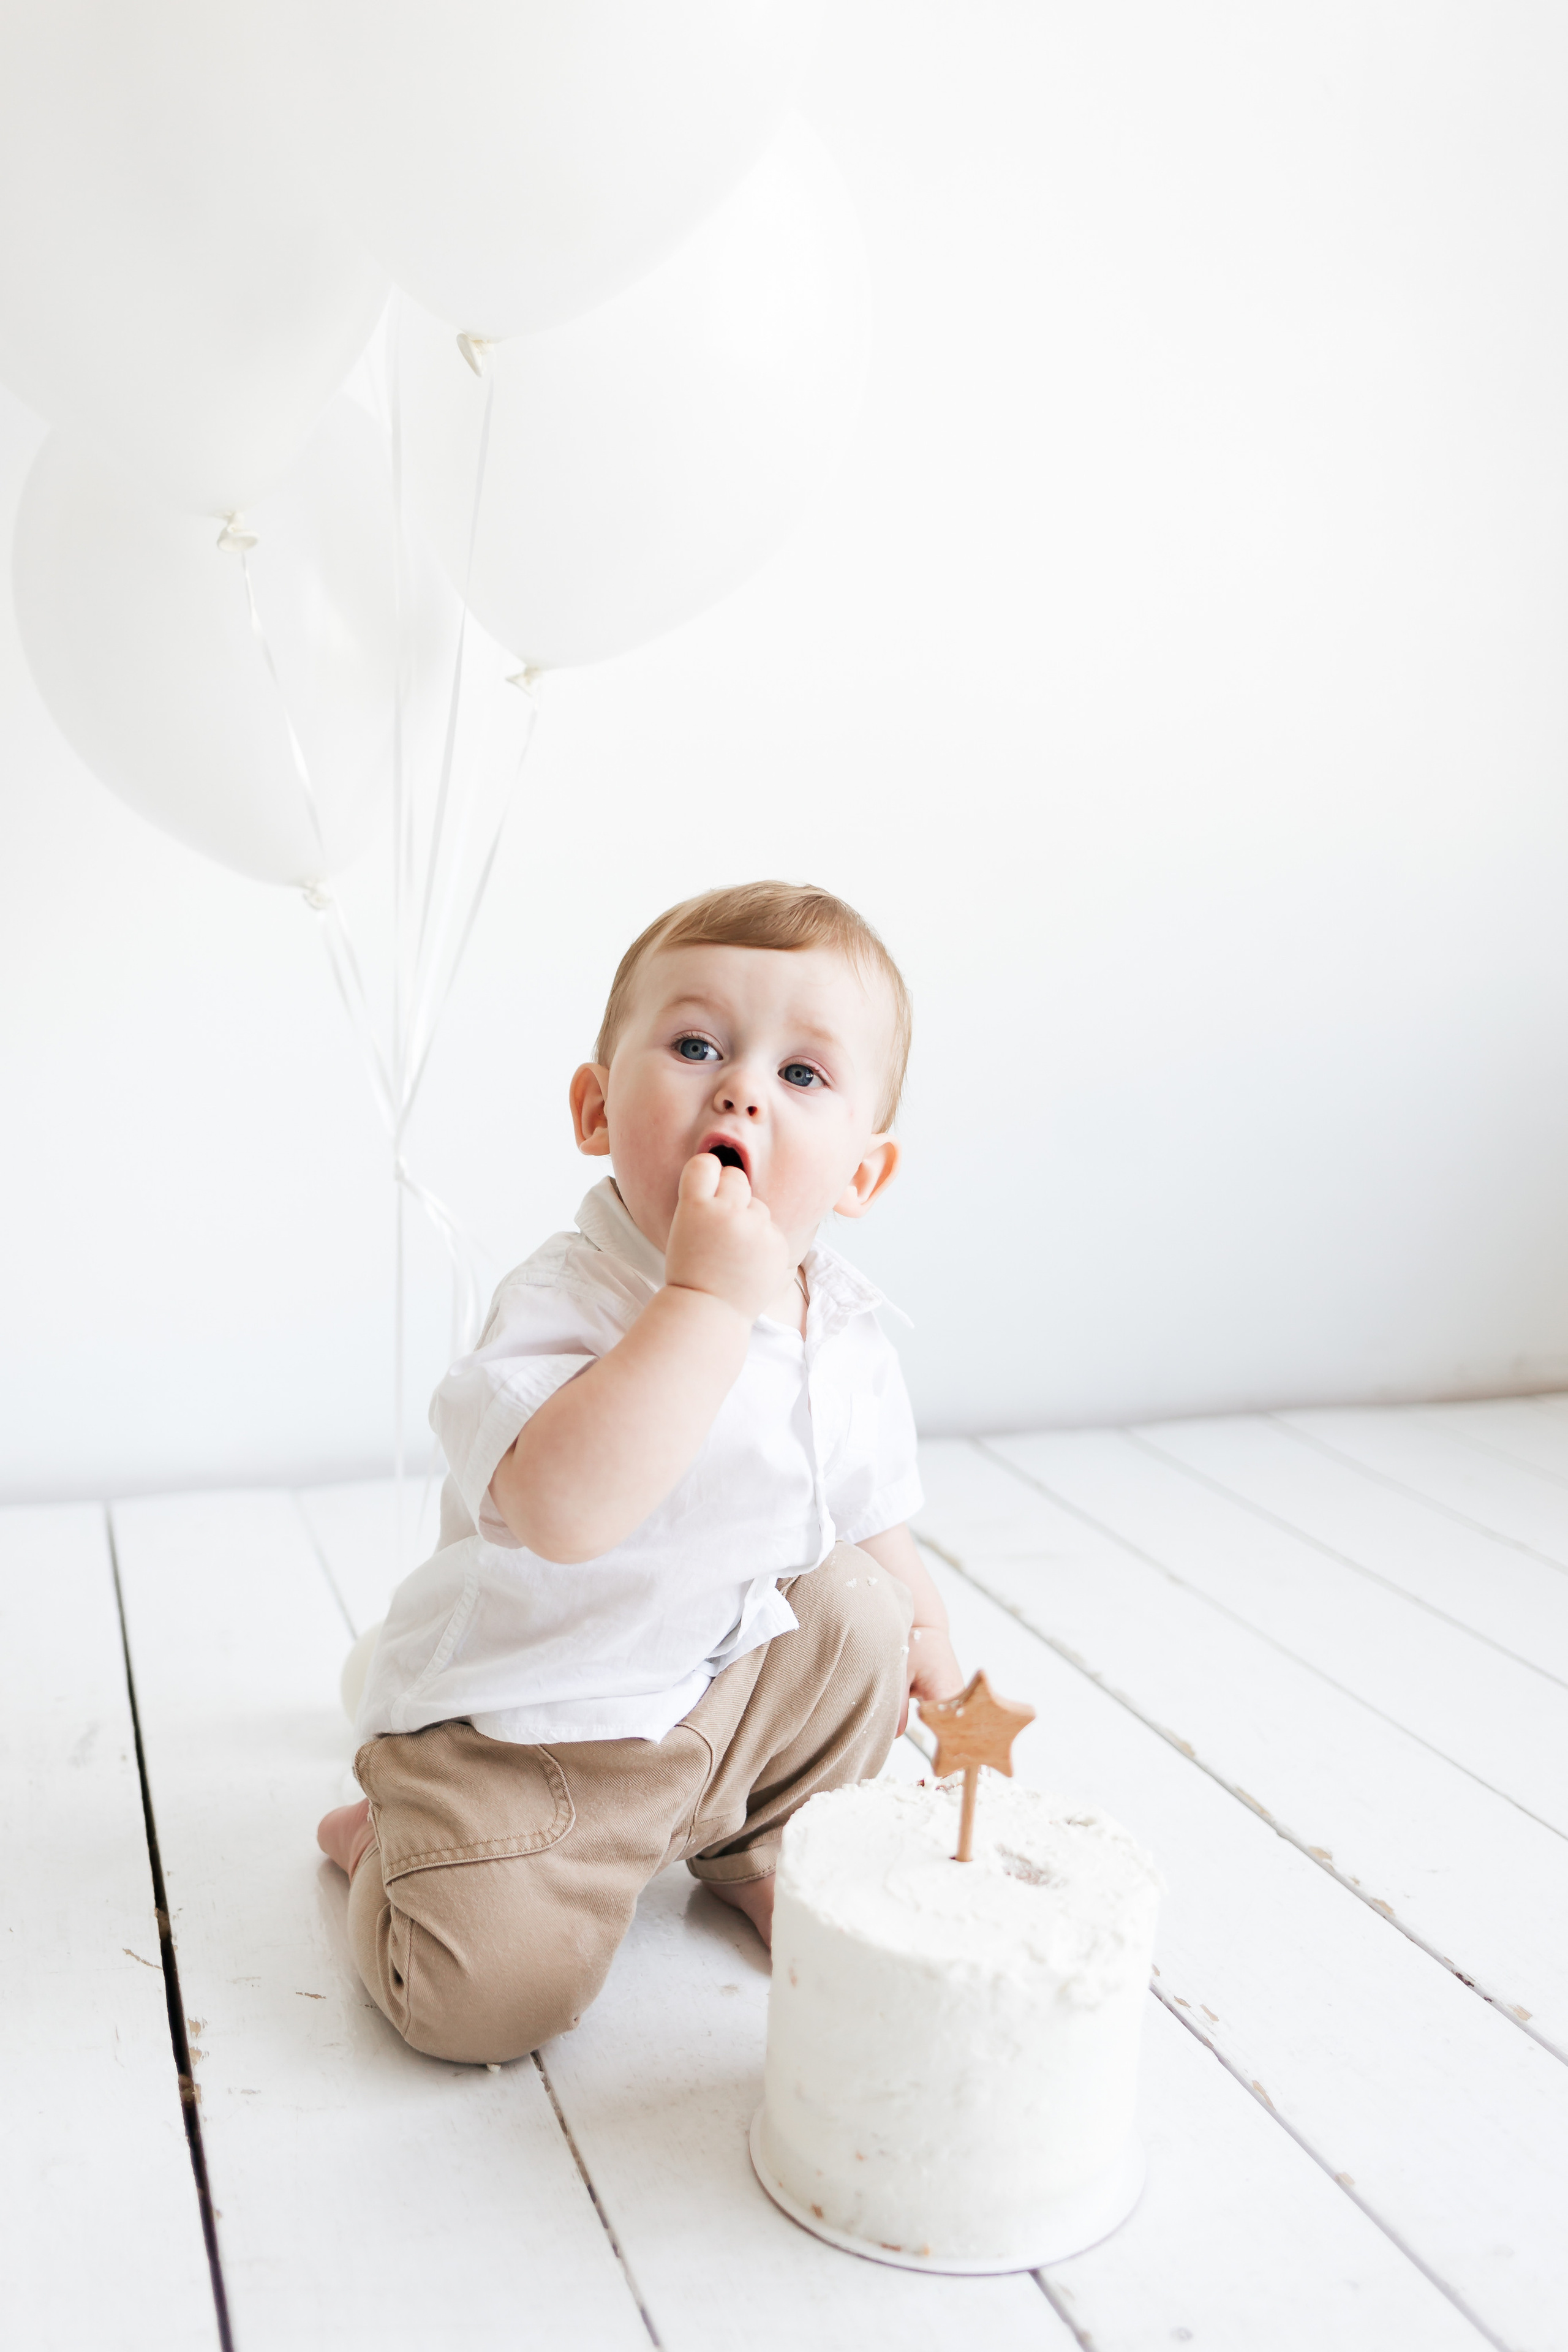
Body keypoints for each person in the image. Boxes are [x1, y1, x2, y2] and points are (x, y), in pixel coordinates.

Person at [317, 880, 963, 2062]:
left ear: (863, 1177)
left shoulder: (844, 1325)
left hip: (717, 1701)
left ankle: (756, 1847)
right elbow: (568, 1511)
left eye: (802, 1076)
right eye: (697, 1045)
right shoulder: (562, 1304)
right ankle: (395, 1842)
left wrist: (935, 1654)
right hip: (531, 1732)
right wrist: (706, 1299)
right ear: (596, 1106)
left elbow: (872, 1513)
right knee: (481, 2010)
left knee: (862, 1616)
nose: (741, 1089)